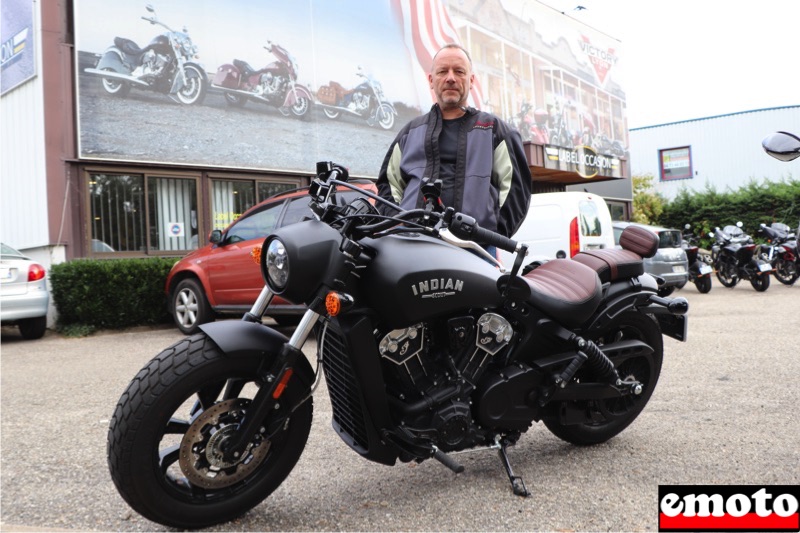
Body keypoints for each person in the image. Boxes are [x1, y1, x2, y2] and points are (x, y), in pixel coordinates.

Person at [377, 43, 532, 242]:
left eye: (459, 71)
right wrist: (395, 223)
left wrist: (492, 235)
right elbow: (388, 185)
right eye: (443, 71)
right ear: (431, 80)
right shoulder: (409, 133)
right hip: (411, 245)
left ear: (471, 80)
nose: (451, 78)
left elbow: (516, 191)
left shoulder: (496, 131)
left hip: (475, 250)